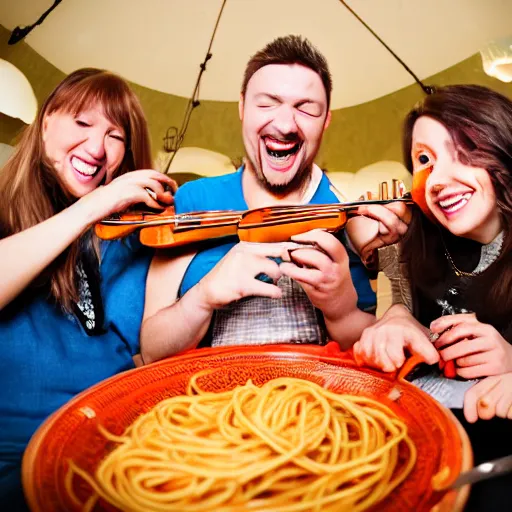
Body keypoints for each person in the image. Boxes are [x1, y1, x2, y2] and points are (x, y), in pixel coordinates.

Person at [141, 35, 409, 363]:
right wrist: (203, 297)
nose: (284, 124)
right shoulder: (194, 200)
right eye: (267, 103)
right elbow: (152, 350)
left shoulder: (344, 215)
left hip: (316, 399)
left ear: (326, 121)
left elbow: (375, 343)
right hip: (207, 403)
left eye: (306, 108)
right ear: (241, 107)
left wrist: (340, 308)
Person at [0, 68, 175, 509]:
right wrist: (94, 205)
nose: (96, 148)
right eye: (82, 123)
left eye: (115, 135)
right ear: (45, 123)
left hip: (120, 446)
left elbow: (147, 349)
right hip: (21, 460)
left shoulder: (119, 238)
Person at [352, 84, 512, 511]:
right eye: (424, 160)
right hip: (420, 432)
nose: (439, 179)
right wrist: (398, 316)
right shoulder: (419, 239)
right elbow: (398, 294)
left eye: (464, 151)